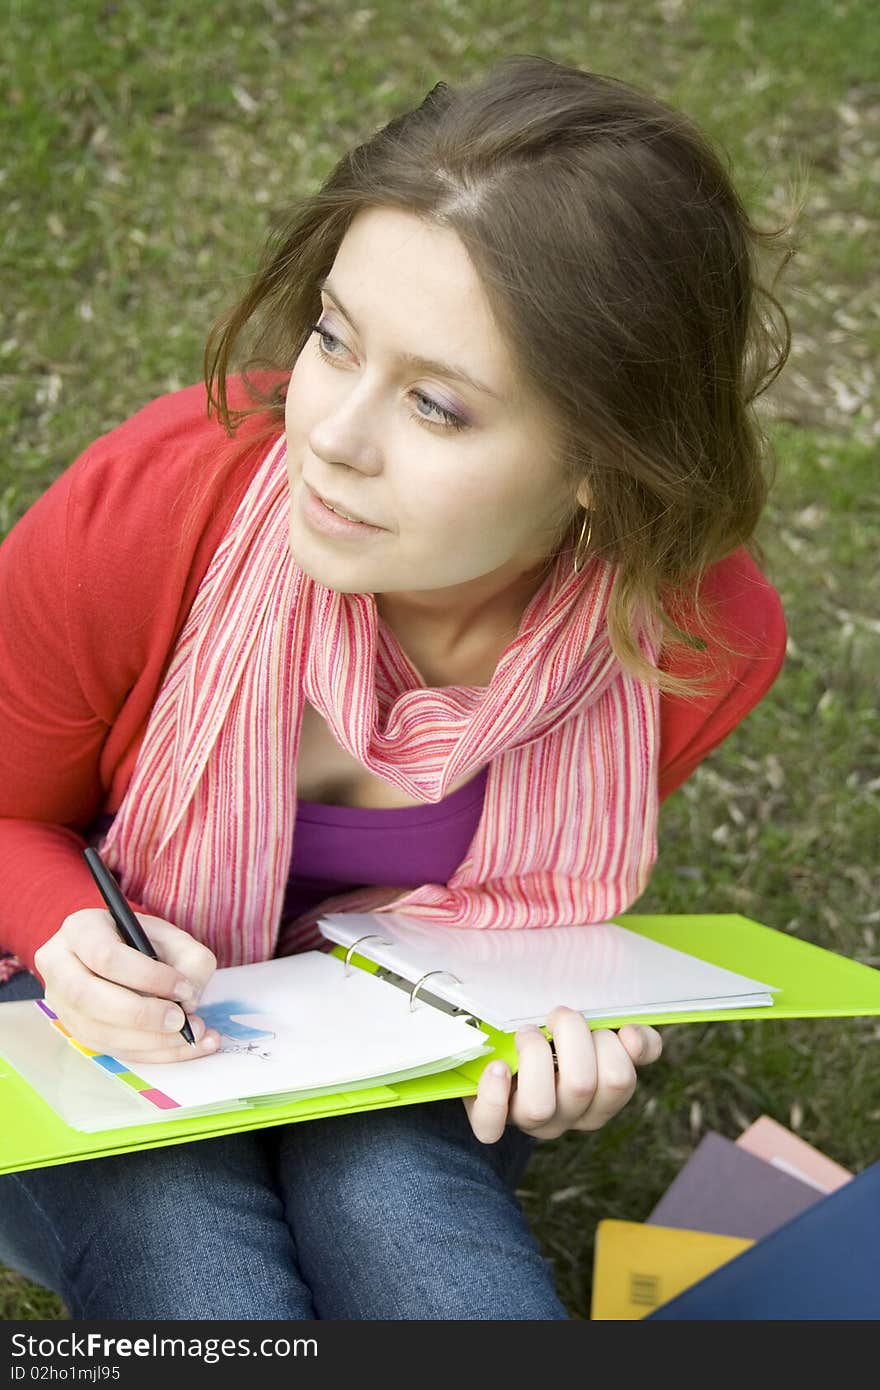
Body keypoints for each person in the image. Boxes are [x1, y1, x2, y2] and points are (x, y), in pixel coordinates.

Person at [0, 55, 791, 1319]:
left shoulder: (690, 640)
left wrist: (557, 1041)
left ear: (604, 458)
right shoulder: (148, 514)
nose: (331, 435)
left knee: (391, 1194)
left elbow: (538, 934)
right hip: (73, 995)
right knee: (185, 1240)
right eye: (330, 337)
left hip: (408, 1032)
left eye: (434, 404)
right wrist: (63, 931)